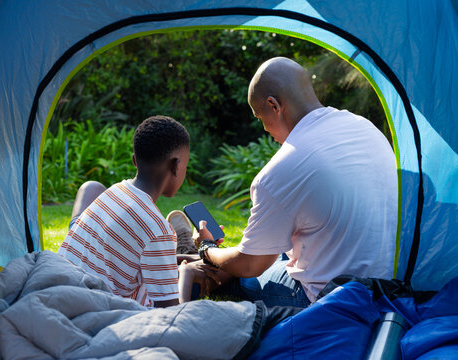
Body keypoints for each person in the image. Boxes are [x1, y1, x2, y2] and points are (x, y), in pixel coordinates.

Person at [180, 57, 398, 307]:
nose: (264, 129)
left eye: (260, 118)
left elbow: (251, 265)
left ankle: (200, 266)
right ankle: (203, 261)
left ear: (274, 105)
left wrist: (207, 248)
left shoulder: (283, 169)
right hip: (388, 284)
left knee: (245, 275)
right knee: (275, 246)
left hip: (332, 297)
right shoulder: (364, 127)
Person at [57, 115, 193, 308]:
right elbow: (171, 316)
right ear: (176, 166)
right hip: (95, 309)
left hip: (65, 287)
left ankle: (187, 253)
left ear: (134, 161)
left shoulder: (114, 191)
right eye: (186, 165)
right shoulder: (158, 229)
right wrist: (187, 274)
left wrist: (186, 260)